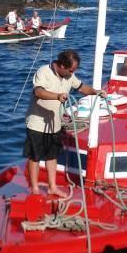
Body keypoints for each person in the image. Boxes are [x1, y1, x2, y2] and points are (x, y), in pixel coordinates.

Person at [24, 50, 99, 197]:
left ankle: (52, 187)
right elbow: (38, 92)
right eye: (71, 70)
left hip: (55, 123)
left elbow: (82, 87)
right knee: (35, 156)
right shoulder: (43, 72)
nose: (72, 73)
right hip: (37, 122)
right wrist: (57, 96)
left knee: (52, 155)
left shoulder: (69, 76)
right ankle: (35, 189)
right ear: (62, 66)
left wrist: (96, 92)